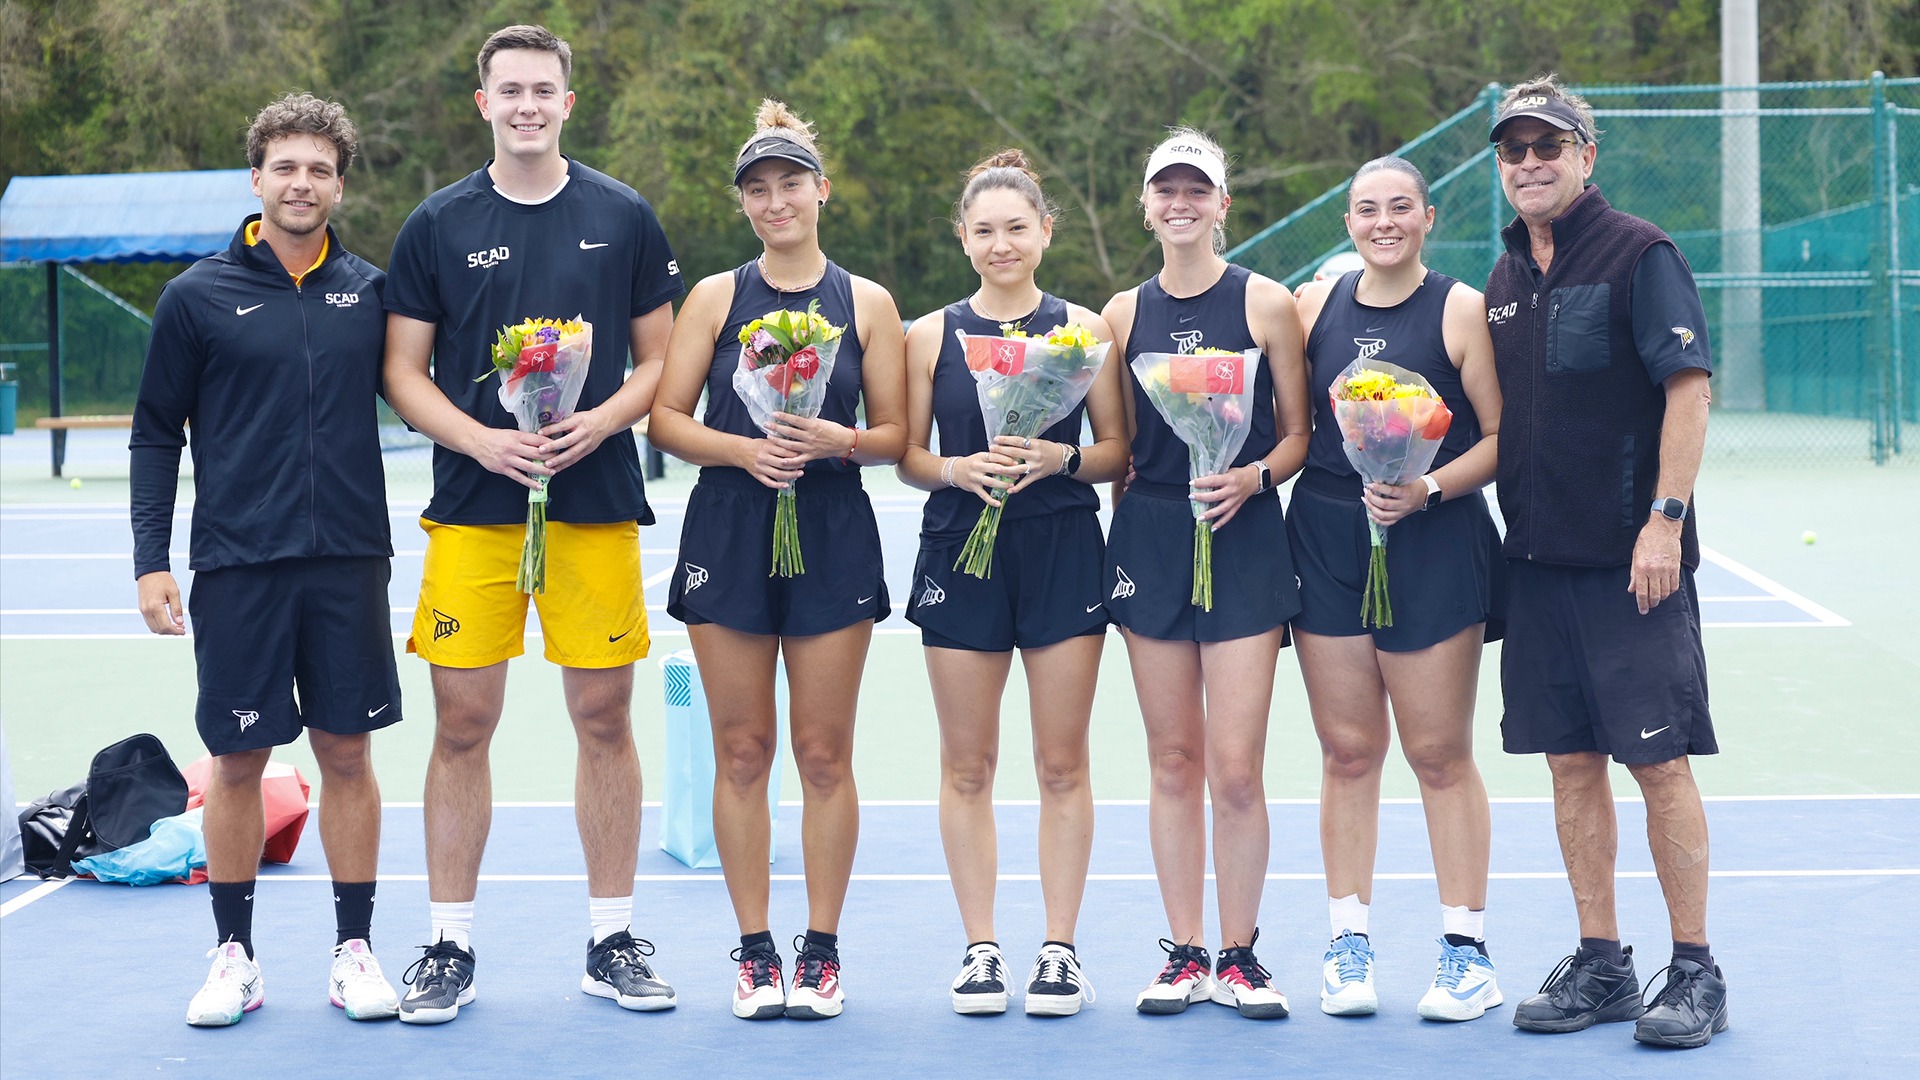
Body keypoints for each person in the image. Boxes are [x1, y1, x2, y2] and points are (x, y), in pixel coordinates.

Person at [380, 23, 684, 1023]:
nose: (525, 104)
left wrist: (602, 419)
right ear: (483, 104)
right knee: (463, 723)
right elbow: (401, 372)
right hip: (475, 507)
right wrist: (481, 440)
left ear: (566, 99)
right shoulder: (436, 223)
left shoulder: (622, 216)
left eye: (541, 88)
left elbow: (656, 360)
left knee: (604, 718)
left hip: (593, 505)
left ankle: (610, 938)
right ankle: (447, 945)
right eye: (507, 89)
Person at [131, 92, 404, 1027]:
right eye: (285, 166)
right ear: (257, 179)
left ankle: (354, 950)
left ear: (339, 184)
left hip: (349, 562)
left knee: (348, 753)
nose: (302, 182)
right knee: (239, 759)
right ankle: (234, 956)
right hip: (239, 566)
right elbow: (155, 435)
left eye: (320, 168)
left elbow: (424, 391)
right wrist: (149, 558)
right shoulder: (195, 295)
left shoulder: (372, 291)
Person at [648, 98, 906, 1022]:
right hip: (729, 525)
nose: (774, 200)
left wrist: (837, 439)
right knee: (743, 748)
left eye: (789, 182)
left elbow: (895, 435)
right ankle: (756, 951)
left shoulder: (865, 301)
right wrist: (742, 448)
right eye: (757, 189)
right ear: (745, 205)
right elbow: (668, 419)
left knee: (823, 752)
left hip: (832, 526)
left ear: (820, 189)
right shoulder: (716, 298)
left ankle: (823, 950)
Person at [1484, 75, 1725, 1049]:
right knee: (1570, 764)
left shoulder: (1641, 253)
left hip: (1635, 569)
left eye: (1551, 145)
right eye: (1516, 149)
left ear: (1587, 156)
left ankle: (1697, 969)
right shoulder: (1502, 284)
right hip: (1535, 567)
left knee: (1656, 763)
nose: (1532, 163)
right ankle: (1602, 963)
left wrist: (1664, 521)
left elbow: (1690, 389)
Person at [896, 149, 1126, 1017]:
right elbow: (909, 456)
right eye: (984, 230)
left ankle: (1059, 952)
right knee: (969, 764)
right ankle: (981, 950)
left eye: (1016, 228)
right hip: (961, 547)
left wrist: (1060, 458)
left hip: (1063, 546)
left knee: (1063, 763)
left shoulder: (1086, 330)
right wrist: (960, 471)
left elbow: (1117, 453)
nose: (1002, 243)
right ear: (963, 238)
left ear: (1045, 232)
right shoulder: (930, 335)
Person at [1103, 130, 1312, 1020]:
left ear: (1222, 204)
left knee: (1235, 767)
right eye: (1166, 189)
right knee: (1174, 759)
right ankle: (1185, 951)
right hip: (1152, 537)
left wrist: (1252, 476)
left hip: (1247, 532)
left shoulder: (1266, 305)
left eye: (1198, 189)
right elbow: (1117, 451)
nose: (1181, 202)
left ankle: (1240, 955)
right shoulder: (1118, 315)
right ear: (1146, 204)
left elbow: (1301, 436)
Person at [1290, 156, 1505, 1021]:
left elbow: (1501, 436)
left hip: (1433, 536)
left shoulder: (1460, 309)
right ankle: (1348, 944)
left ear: (1428, 216)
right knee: (1347, 752)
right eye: (1367, 209)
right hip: (1329, 536)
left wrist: (1428, 487)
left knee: (1438, 755)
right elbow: (1291, 426)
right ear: (1349, 222)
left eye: (1400, 208)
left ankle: (1467, 953)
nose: (1384, 222)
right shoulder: (1312, 309)